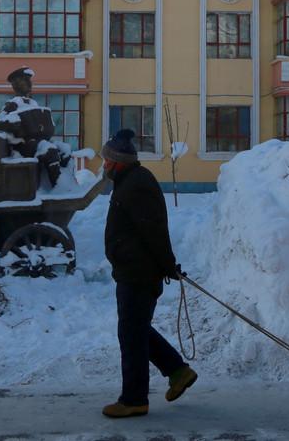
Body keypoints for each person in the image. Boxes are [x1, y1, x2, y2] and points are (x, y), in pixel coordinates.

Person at [99, 128, 198, 418]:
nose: (104, 165)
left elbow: (153, 230)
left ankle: (134, 400)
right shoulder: (128, 181)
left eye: (107, 160)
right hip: (132, 270)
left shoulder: (136, 185)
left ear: (119, 161)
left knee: (131, 333)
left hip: (139, 273)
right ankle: (177, 371)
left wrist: (167, 264)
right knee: (135, 329)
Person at [0, 67, 71, 187]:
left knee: (64, 150)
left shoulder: (33, 103)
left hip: (37, 142)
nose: (30, 83)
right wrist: (12, 123)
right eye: (25, 80)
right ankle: (57, 186)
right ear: (17, 84)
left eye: (30, 80)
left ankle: (68, 184)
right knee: (50, 152)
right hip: (23, 145)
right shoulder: (13, 104)